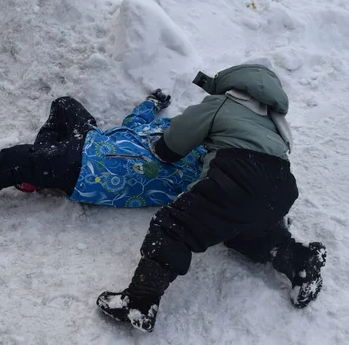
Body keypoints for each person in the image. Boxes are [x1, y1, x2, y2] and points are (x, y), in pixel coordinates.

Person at [97, 60, 327, 332]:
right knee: (247, 233)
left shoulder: (222, 103)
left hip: (238, 177)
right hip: (281, 187)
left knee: (175, 228)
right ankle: (301, 260)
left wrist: (164, 149)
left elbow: (173, 143)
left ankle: (139, 302)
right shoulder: (273, 121)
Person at [0, 92, 206, 215]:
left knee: (12, 159)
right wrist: (151, 104)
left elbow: (199, 197)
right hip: (94, 143)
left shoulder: (200, 173)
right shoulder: (185, 128)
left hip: (90, 172)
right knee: (64, 105)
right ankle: (37, 169)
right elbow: (135, 126)